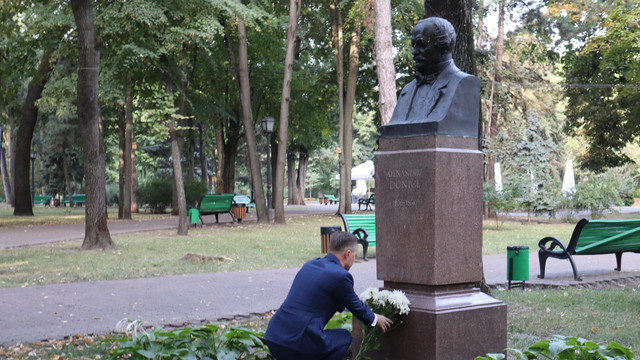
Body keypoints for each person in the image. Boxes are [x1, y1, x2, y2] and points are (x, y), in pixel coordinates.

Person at [265, 231, 393, 360]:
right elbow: (355, 306)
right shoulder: (341, 276)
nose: (354, 259)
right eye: (355, 255)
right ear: (348, 254)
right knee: (344, 338)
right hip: (297, 341)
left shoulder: (310, 265)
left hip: (274, 336)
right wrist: (376, 319)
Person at [382, 17, 480, 138]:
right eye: (414, 45)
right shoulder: (407, 91)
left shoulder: (465, 84)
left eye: (422, 44)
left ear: (444, 45)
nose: (414, 51)